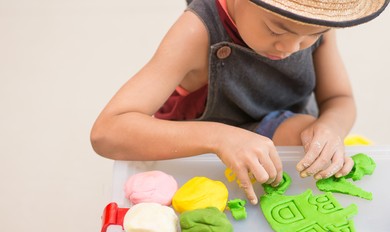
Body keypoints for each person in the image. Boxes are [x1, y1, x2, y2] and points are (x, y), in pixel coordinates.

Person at [90, 0, 389, 205]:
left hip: (278, 124)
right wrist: (220, 137)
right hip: (201, 140)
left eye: (311, 36)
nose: (290, 48)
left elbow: (339, 98)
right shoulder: (196, 31)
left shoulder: (314, 21)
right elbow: (107, 132)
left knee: (307, 137)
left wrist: (330, 128)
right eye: (275, 30)